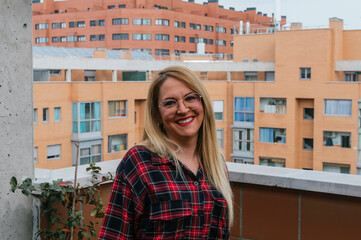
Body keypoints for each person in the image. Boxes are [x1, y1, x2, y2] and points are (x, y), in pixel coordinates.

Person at [98, 66, 233, 239]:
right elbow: (113, 235)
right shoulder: (140, 161)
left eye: (190, 98)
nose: (183, 109)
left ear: (203, 103)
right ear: (157, 115)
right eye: (170, 103)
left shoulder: (216, 163)